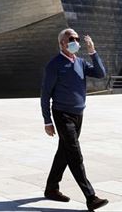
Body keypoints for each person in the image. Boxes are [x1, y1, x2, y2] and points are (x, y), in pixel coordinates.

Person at [40, 28, 109, 211]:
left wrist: (92, 52)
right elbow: (45, 95)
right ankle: (90, 197)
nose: (76, 41)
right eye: (72, 38)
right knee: (75, 154)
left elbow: (101, 73)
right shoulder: (54, 64)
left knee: (64, 152)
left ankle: (51, 189)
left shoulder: (80, 62)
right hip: (62, 114)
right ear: (62, 43)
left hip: (79, 114)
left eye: (77, 39)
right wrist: (48, 121)